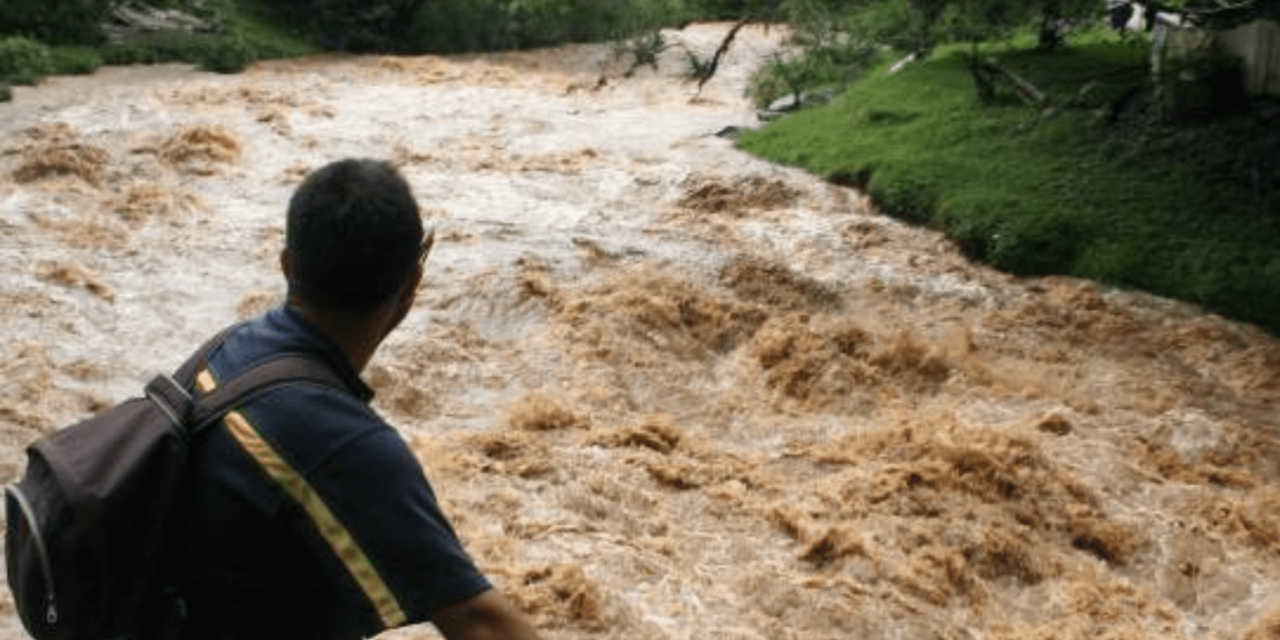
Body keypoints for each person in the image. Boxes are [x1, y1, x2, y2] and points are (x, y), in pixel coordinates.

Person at [161, 158, 545, 640]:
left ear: (287, 265)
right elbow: (480, 624)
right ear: (411, 287)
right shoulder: (340, 443)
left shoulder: (229, 349)